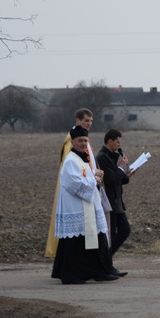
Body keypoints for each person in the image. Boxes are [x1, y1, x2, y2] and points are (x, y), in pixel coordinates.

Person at [50, 126, 118, 285]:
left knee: (96, 238)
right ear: (72, 142)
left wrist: (96, 177)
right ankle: (72, 275)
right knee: (76, 243)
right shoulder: (70, 161)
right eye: (80, 140)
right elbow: (74, 184)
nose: (82, 143)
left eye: (85, 140)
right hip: (76, 207)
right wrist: (94, 180)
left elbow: (87, 180)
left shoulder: (82, 159)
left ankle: (100, 271)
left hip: (88, 205)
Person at [45, 109, 111, 258]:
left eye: (91, 121)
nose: (89, 124)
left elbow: (85, 167)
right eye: (86, 120)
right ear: (77, 120)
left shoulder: (83, 142)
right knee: (77, 238)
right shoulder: (72, 145)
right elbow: (73, 174)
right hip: (77, 199)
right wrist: (93, 179)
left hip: (88, 190)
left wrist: (95, 174)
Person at [96, 129, 132, 277]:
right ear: (109, 141)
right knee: (110, 235)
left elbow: (118, 179)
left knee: (124, 230)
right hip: (109, 202)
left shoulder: (111, 156)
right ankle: (105, 266)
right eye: (117, 141)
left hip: (117, 201)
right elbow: (110, 180)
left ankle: (107, 261)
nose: (119, 144)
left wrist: (127, 174)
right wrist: (121, 167)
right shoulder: (102, 157)